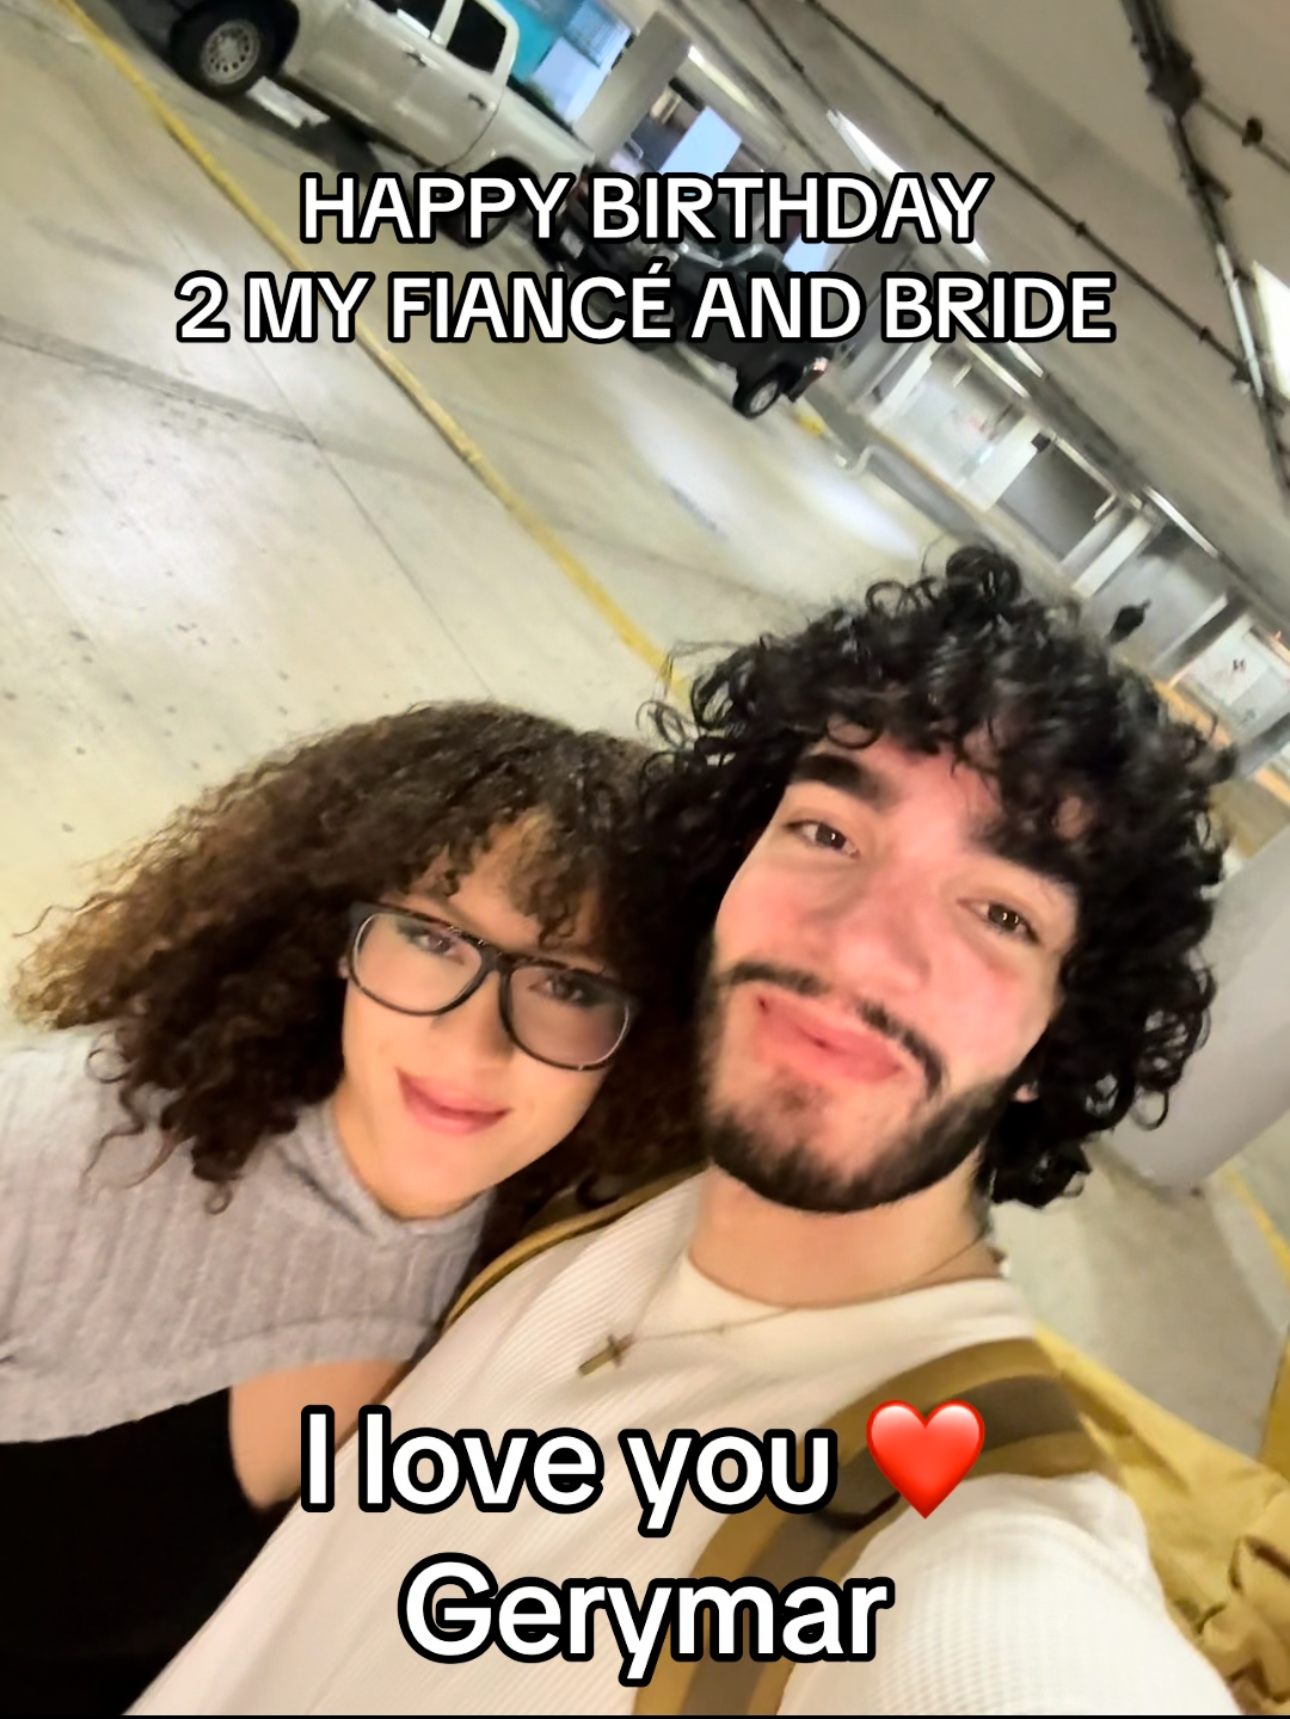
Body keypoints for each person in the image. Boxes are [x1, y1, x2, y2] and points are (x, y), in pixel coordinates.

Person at [132, 551, 1238, 1714]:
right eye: (827, 833)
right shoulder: (607, 1178)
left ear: (1055, 1040)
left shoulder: (972, 1554)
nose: (858, 944)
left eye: (1001, 912)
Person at [0, 702, 698, 1717]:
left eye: (568, 984)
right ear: (339, 938)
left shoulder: (558, 1290)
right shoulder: (53, 1150)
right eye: (432, 938)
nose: (472, 1041)